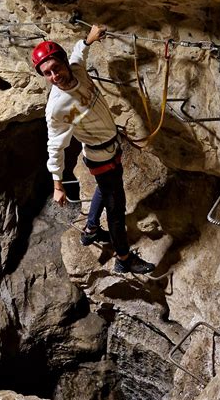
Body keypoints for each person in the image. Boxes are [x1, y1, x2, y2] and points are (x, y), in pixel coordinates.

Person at [31, 25, 155, 274]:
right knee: (116, 211)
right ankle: (123, 259)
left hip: (110, 148)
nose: (54, 76)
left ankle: (91, 229)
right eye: (47, 73)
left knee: (104, 188)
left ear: (64, 62)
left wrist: (88, 40)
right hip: (100, 157)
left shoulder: (76, 70)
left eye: (56, 68)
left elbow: (79, 54)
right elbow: (55, 145)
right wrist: (58, 185)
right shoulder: (56, 108)